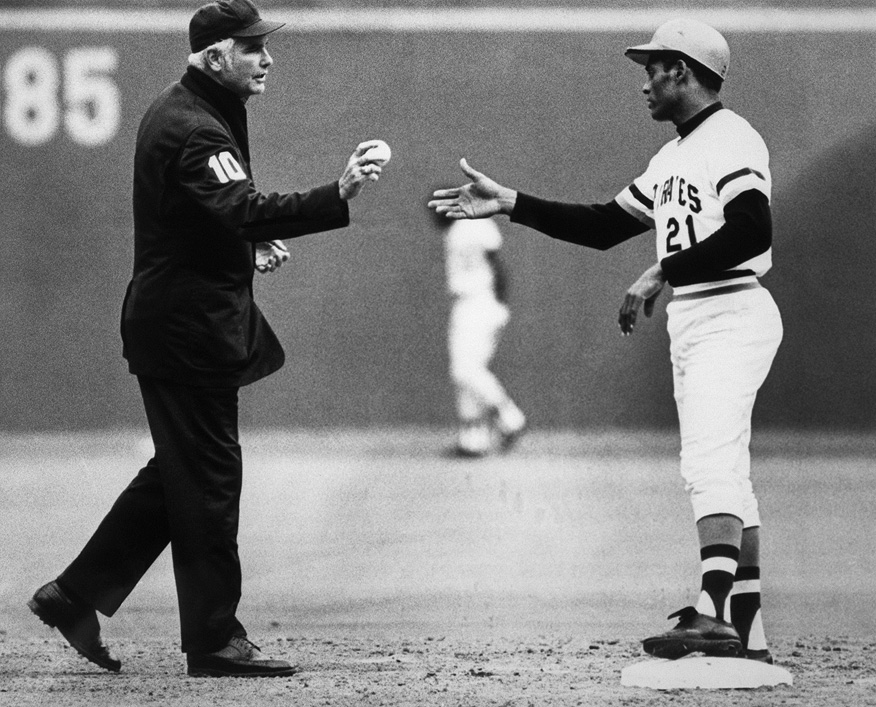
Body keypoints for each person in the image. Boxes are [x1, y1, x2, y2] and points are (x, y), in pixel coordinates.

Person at [27, 0, 385, 678]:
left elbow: (203, 216)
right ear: (214, 57)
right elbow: (238, 206)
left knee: (181, 475)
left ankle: (72, 593)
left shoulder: (187, 111)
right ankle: (213, 639)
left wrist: (245, 244)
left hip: (177, 322)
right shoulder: (196, 127)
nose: (266, 56)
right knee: (211, 483)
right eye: (251, 48)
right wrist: (334, 193)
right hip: (187, 332)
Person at [429, 19, 781, 663]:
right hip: (700, 316)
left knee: (709, 465)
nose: (644, 82)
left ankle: (711, 615)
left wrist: (662, 270)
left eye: (653, 68)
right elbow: (602, 226)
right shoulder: (673, 155)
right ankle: (745, 626)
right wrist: (511, 201)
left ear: (683, 69)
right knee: (725, 467)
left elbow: (752, 229)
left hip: (731, 310)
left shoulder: (730, 138)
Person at [441, 215, 526, 457]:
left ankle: (511, 417)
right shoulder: (457, 230)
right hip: (470, 303)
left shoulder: (474, 225)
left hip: (478, 303)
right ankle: (473, 440)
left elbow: (497, 263)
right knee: (468, 372)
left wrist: (498, 303)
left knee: (464, 369)